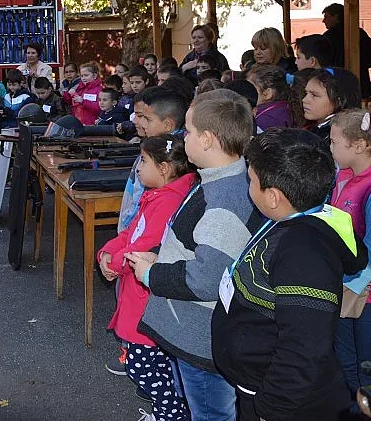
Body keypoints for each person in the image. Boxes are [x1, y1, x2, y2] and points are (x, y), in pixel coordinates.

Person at [211, 128, 366, 421]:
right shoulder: (287, 219)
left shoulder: (304, 254)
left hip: (282, 403)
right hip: (257, 384)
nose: (248, 186)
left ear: (273, 197)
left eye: (251, 180)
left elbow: (303, 348)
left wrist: (270, 410)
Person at [126, 89, 255, 421]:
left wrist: (151, 275)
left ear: (208, 139)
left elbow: (207, 278)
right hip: (194, 331)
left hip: (202, 339)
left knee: (211, 413)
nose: (184, 138)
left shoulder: (223, 199)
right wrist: (158, 255)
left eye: (189, 131)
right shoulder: (212, 180)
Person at [99, 135, 197, 421]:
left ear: (164, 168)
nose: (138, 168)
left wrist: (115, 263)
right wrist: (107, 253)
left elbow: (146, 245)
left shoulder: (168, 202)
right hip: (139, 294)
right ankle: (167, 412)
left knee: (146, 367)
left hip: (148, 301)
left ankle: (170, 416)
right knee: (151, 367)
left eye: (143, 161)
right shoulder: (157, 195)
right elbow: (131, 234)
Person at [107, 86, 188, 375]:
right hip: (131, 242)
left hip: (139, 260)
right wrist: (111, 250)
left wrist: (116, 260)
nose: (138, 122)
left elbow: (149, 240)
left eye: (145, 117)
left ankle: (136, 354)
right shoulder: (155, 157)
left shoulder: (166, 192)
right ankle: (131, 351)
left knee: (153, 367)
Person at [330, 100, 371, 398]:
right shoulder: (344, 176)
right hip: (345, 286)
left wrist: (347, 287)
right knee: (348, 368)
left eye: (334, 141)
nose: (329, 147)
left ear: (360, 145)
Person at [321, 3, 371, 99]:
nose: (323, 21)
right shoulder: (359, 32)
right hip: (359, 86)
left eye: (326, 17)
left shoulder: (328, 37)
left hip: (338, 87)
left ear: (336, 16)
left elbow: (322, 62)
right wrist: (361, 67)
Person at [301, 67, 361, 140]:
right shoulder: (314, 129)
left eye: (314, 95)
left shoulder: (340, 140)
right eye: (306, 93)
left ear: (339, 100)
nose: (304, 100)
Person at [247, 64, 292, 131]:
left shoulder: (265, 120)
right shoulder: (283, 108)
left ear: (267, 94)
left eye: (249, 87)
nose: (246, 90)